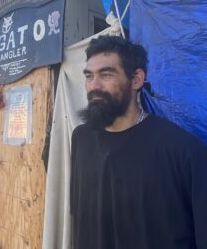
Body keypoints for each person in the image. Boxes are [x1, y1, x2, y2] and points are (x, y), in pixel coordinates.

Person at [70, 35, 207, 249]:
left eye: (106, 75)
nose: (93, 86)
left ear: (136, 80)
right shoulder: (81, 139)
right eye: (89, 76)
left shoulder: (184, 151)